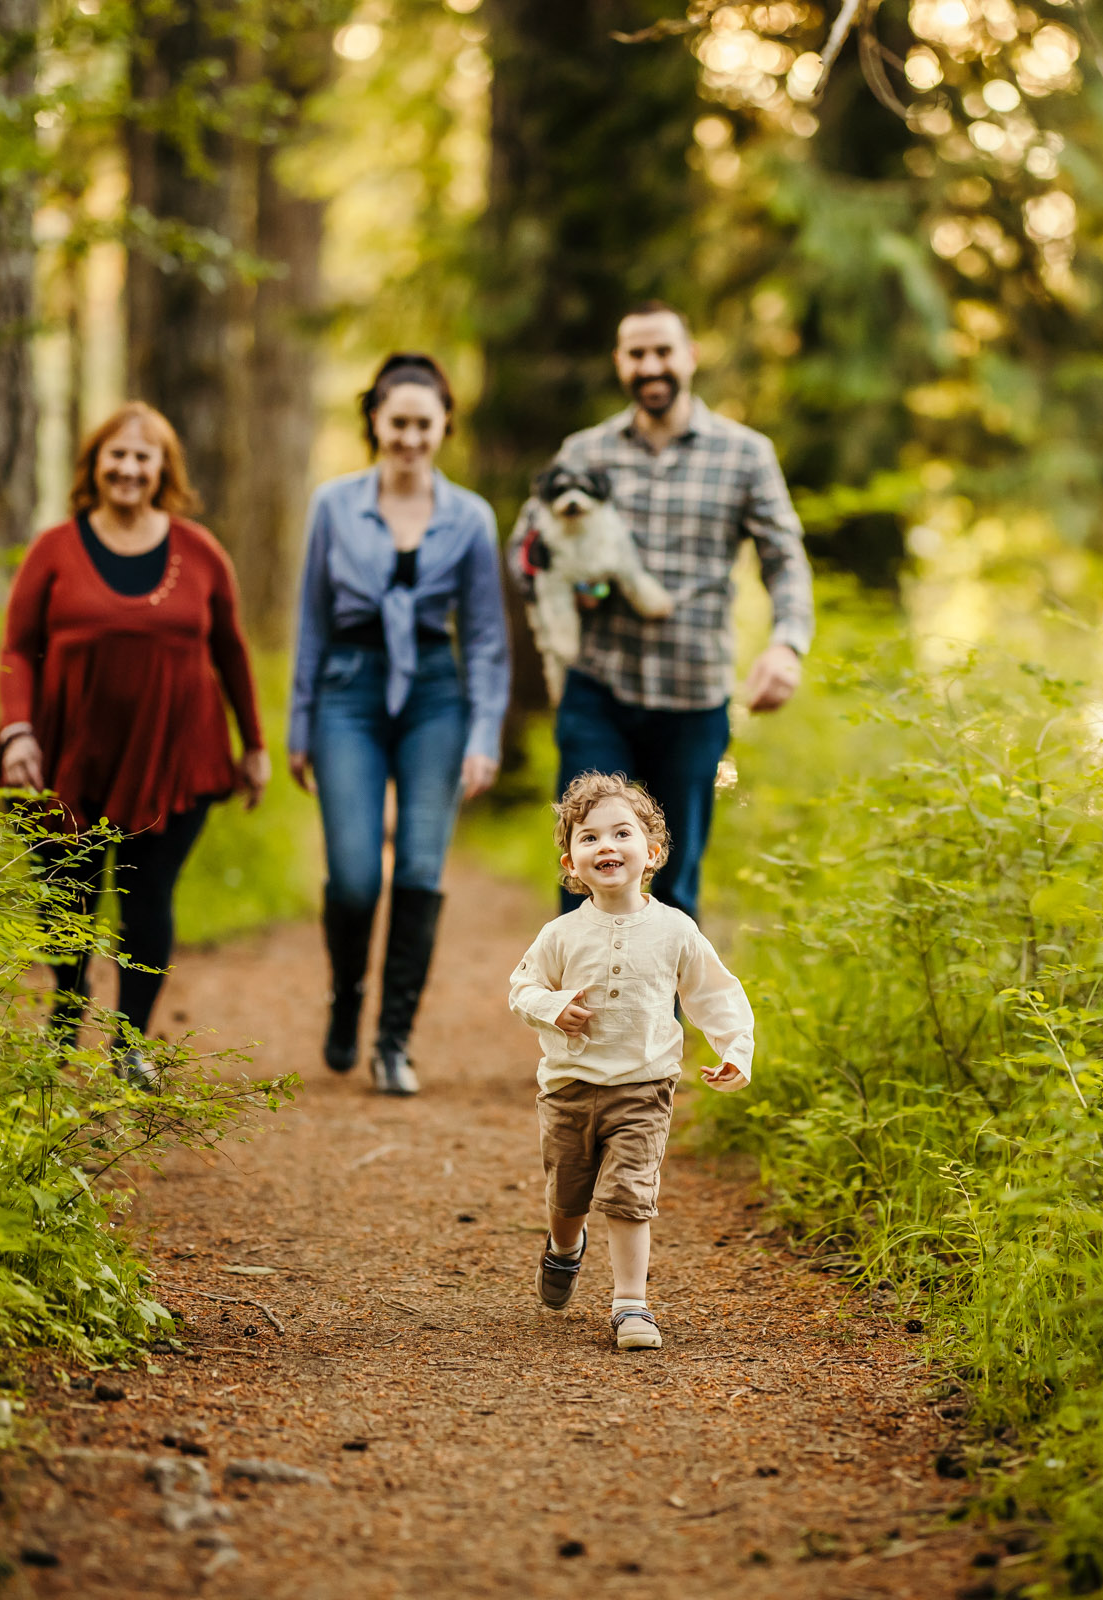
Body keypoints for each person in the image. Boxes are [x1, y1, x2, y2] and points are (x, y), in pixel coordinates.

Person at [0, 401, 268, 1084]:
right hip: (65, 756)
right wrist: (16, 729)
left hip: (176, 758)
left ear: (162, 470)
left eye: (144, 456)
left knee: (147, 898)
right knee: (68, 892)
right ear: (95, 465)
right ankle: (64, 1022)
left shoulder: (200, 552)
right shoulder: (54, 549)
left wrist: (254, 745)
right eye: (117, 453)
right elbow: (17, 650)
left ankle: (128, 1047)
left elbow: (232, 651)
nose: (129, 467)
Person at [509, 301, 814, 919]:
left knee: (673, 886)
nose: (651, 366)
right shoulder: (585, 451)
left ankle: (661, 1021)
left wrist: (787, 642)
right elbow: (524, 550)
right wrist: (568, 583)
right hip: (597, 691)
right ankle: (573, 1018)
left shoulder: (745, 453)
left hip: (694, 700)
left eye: (663, 351)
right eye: (637, 354)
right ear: (620, 363)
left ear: (690, 357)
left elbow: (784, 557)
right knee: (587, 879)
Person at [290, 353, 510, 1096]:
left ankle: (394, 1041)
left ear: (444, 425)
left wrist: (484, 733)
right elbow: (311, 622)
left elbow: (483, 636)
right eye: (398, 423)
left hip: (436, 695)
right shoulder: (333, 505)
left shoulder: (471, 517)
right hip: (347, 690)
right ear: (375, 424)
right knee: (354, 877)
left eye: (425, 424)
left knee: (419, 867)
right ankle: (348, 991)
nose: (411, 437)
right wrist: (299, 724)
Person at [506, 773, 754, 1352]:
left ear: (653, 853)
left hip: (644, 1086)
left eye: (622, 833)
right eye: (590, 838)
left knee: (628, 1193)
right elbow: (523, 987)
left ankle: (630, 1307)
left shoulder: (674, 930)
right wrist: (554, 1006)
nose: (607, 846)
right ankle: (565, 1249)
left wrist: (735, 1047)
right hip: (569, 1087)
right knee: (568, 1197)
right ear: (572, 863)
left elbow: (713, 993)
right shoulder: (560, 934)